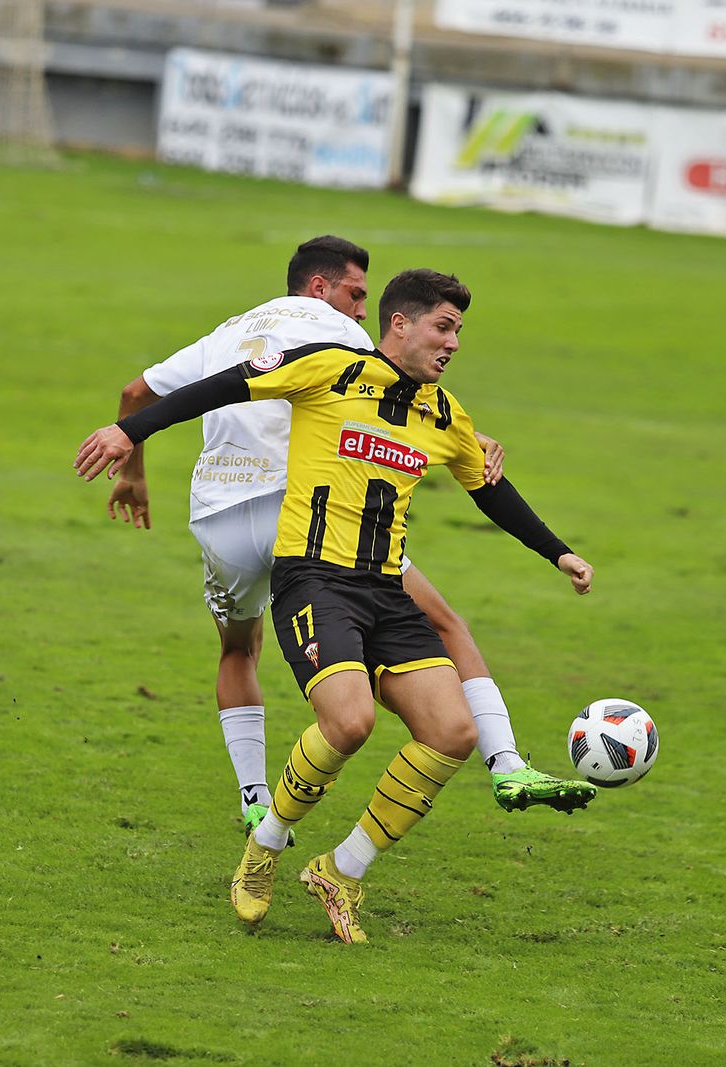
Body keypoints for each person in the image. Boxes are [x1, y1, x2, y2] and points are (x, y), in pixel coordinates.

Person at [76, 269, 593, 943]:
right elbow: (226, 385)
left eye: (460, 330)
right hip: (315, 580)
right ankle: (264, 848)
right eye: (444, 327)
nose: (455, 343)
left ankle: (341, 870)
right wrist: (128, 432)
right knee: (349, 722)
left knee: (453, 732)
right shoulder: (329, 370)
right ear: (399, 325)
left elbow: (489, 490)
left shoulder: (444, 413)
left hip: (384, 589)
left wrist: (559, 552)